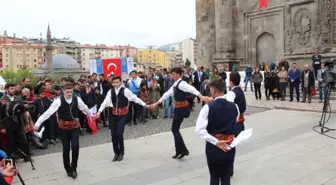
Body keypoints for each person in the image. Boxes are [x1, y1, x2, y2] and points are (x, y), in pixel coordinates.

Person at [149, 67, 212, 159]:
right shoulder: (175, 84)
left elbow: (191, 88)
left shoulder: (182, 84)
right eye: (172, 74)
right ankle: (179, 150)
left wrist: (200, 96)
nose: (172, 75)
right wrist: (157, 103)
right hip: (179, 108)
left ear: (179, 74)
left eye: (174, 74)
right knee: (175, 129)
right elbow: (167, 94)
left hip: (182, 108)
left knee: (174, 129)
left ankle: (183, 150)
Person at [34, 82, 94, 179]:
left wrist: (91, 115)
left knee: (75, 147)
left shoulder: (77, 99)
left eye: (71, 92)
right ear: (63, 91)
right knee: (66, 149)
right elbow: (47, 113)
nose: (69, 94)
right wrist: (37, 123)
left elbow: (85, 108)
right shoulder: (58, 101)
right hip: (64, 128)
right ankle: (68, 168)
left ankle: (74, 168)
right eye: (67, 92)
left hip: (74, 127)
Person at [195, 78, 239, 185]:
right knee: (226, 178)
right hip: (229, 145)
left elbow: (199, 130)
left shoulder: (207, 108)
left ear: (213, 91)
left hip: (213, 147)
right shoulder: (235, 106)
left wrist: (215, 141)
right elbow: (235, 120)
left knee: (214, 178)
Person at [96, 76, 149, 162]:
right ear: (112, 83)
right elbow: (105, 102)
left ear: (120, 82)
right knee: (113, 135)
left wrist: (144, 104)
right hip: (113, 115)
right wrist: (99, 111)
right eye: (114, 82)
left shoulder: (125, 91)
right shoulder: (111, 91)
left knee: (119, 133)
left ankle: (122, 152)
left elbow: (135, 98)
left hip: (123, 115)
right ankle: (116, 153)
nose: (115, 84)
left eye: (117, 82)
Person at [224, 72, 247, 177]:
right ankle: (229, 168)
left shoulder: (232, 93)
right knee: (231, 146)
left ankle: (228, 169)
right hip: (241, 123)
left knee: (228, 146)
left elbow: (228, 106)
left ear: (231, 82)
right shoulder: (240, 91)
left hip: (234, 124)